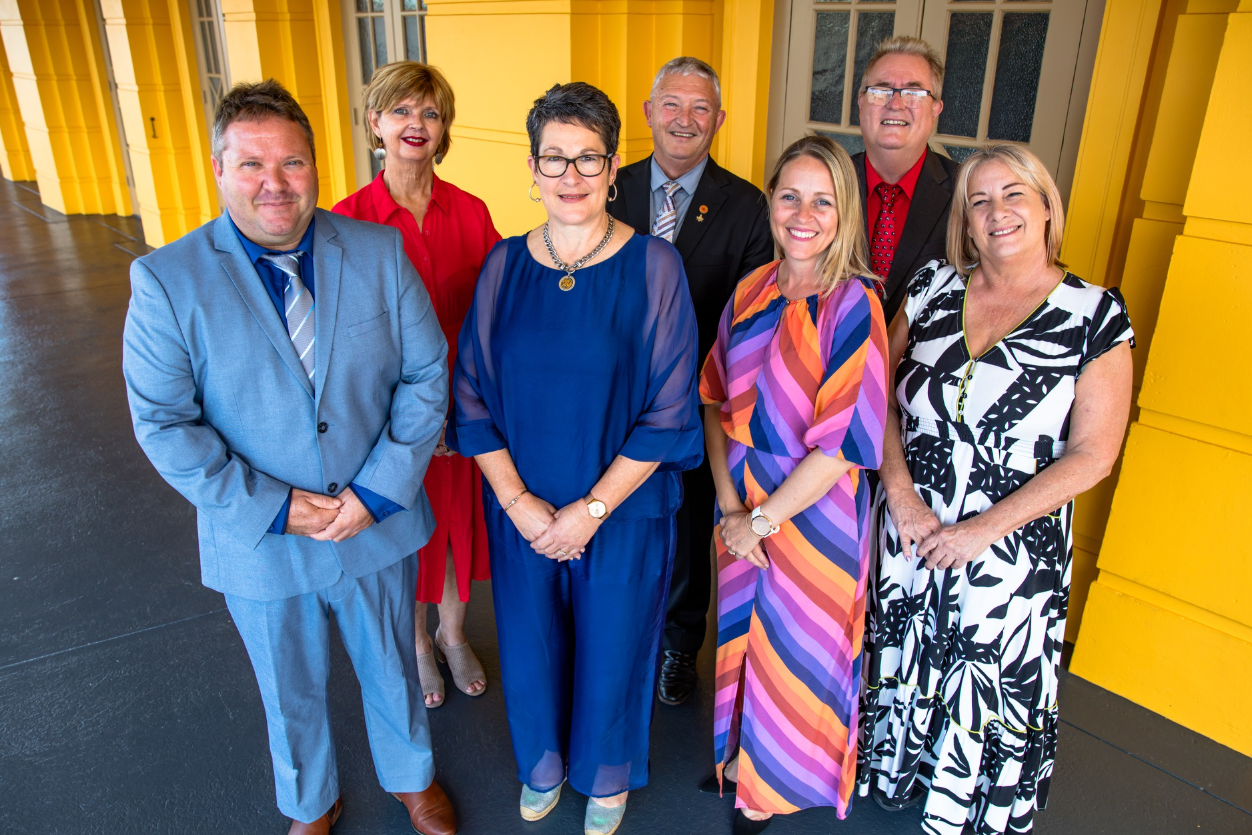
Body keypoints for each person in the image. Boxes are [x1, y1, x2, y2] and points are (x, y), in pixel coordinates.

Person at [122, 80, 457, 835]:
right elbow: (165, 424)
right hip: (263, 535)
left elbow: (426, 372)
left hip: (372, 516)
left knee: (392, 668)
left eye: (293, 162)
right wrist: (276, 506)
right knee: (289, 684)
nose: (275, 183)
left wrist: (377, 490)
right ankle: (312, 801)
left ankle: (412, 777)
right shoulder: (167, 282)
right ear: (218, 168)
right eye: (252, 164)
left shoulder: (376, 249)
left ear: (315, 165)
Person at [447, 81, 702, 835]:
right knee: (529, 643)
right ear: (531, 167)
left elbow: (668, 411)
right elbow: (472, 399)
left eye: (587, 157)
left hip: (620, 510)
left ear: (614, 164)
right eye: (553, 158)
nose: (570, 175)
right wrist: (524, 506)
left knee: (614, 647)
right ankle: (546, 764)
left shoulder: (655, 267)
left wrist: (589, 511)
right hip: (523, 507)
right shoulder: (502, 267)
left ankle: (605, 773)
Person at [858, 144, 1134, 835]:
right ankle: (896, 770)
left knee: (986, 674)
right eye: (978, 201)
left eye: (1014, 194)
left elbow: (1094, 453)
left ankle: (967, 805)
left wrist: (983, 529)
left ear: (1046, 207)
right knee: (905, 647)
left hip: (1012, 547)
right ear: (964, 221)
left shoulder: (1094, 315)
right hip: (910, 525)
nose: (997, 212)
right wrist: (900, 492)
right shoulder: (929, 289)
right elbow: (874, 398)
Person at [699, 134, 888, 835]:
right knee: (743, 636)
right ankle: (741, 759)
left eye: (823, 200)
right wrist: (727, 505)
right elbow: (713, 396)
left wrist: (761, 520)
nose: (802, 214)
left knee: (798, 649)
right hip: (741, 497)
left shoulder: (854, 305)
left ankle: (770, 791)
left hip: (811, 508)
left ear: (845, 213)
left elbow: (843, 446)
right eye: (789, 196)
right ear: (771, 201)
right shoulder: (753, 286)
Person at [608, 56, 773, 706]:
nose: (684, 119)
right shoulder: (606, 188)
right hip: (613, 403)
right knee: (616, 519)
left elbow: (753, 316)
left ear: (719, 120)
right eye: (670, 105)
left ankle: (680, 643)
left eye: (699, 108)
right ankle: (620, 637)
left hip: (702, 403)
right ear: (648, 113)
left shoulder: (747, 205)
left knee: (689, 523)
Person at [334, 61, 499, 708]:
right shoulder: (347, 221)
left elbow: (493, 319)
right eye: (401, 111)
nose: (416, 124)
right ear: (375, 122)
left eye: (430, 113)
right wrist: (406, 424)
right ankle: (418, 646)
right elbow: (348, 342)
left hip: (462, 407)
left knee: (456, 528)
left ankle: (453, 633)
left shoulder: (472, 210)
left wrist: (470, 413)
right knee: (404, 536)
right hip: (391, 416)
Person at [852, 36, 959, 324]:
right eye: (881, 90)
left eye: (914, 93)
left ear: (936, 108)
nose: (895, 104)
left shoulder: (967, 191)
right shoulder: (828, 183)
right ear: (861, 102)